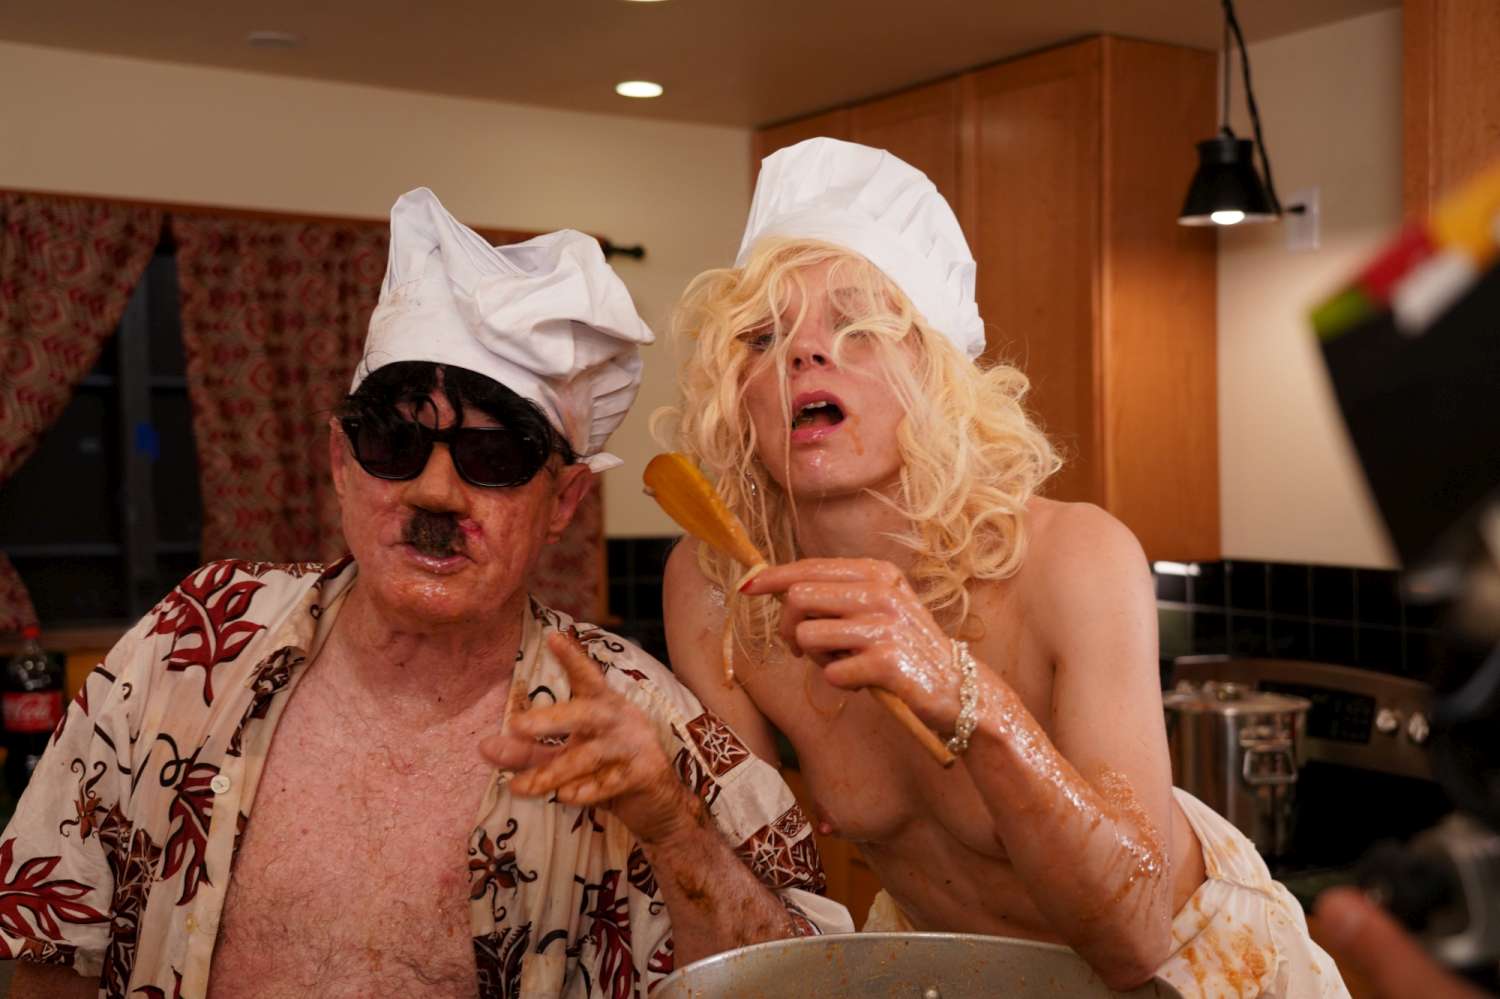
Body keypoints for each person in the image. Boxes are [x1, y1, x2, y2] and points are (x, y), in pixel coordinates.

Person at [0, 188, 850, 999]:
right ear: (341, 463)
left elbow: (804, 984)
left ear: (563, 502)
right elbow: (52, 942)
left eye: (494, 456)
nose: (436, 491)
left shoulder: (639, 721)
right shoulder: (193, 645)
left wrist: (670, 823)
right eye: (394, 442)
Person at [658, 137, 1346, 996]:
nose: (805, 354)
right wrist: (661, 802)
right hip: (948, 969)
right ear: (736, 393)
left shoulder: (1073, 560)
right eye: (764, 336)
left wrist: (964, 695)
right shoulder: (718, 590)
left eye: (860, 326)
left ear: (938, 370)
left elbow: (1135, 938)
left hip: (1197, 965)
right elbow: (763, 901)